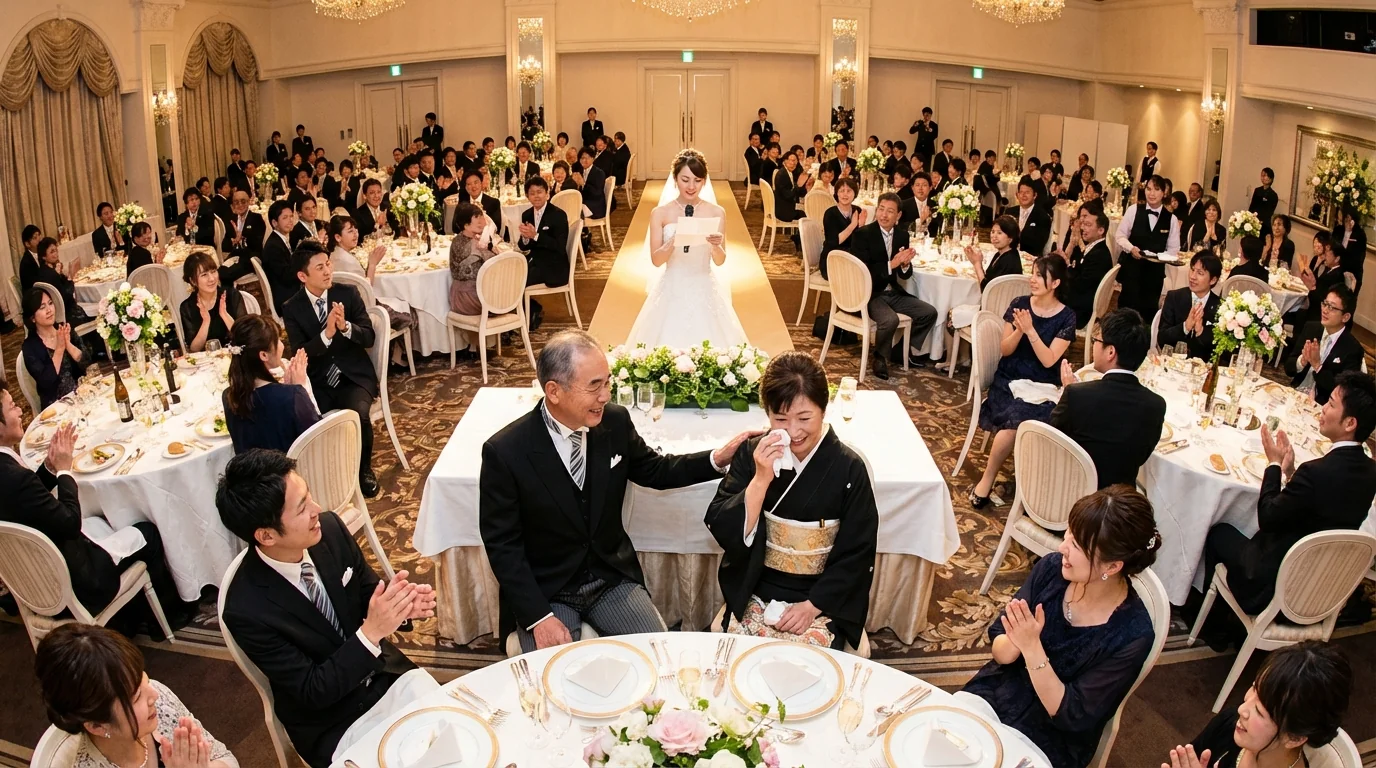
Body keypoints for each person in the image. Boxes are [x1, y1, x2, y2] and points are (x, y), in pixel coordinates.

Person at [480, 330, 757, 653]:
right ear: (554, 391)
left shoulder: (614, 422)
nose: (605, 396)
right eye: (594, 386)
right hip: (548, 592)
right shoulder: (506, 451)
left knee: (658, 654)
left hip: (609, 578)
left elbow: (655, 470)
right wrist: (538, 617)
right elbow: (503, 545)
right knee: (557, 671)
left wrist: (717, 458)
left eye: (608, 382)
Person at [217, 449, 438, 768]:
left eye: (309, 496)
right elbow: (312, 690)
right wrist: (370, 633)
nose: (317, 509)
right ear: (266, 535)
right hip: (334, 722)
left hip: (386, 677)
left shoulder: (330, 529)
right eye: (302, 508)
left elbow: (366, 590)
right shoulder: (246, 609)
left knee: (455, 736)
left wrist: (400, 606)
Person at [961, 486, 1160, 768]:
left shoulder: (1132, 634)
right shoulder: (1052, 569)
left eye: (1076, 545)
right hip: (998, 691)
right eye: (1068, 533)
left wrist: (1032, 647)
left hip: (1051, 738)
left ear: (1112, 567)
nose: (1062, 547)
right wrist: (1017, 641)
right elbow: (1001, 653)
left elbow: (1070, 715)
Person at [706, 352, 878, 650]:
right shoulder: (751, 454)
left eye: (804, 418)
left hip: (821, 594)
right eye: (780, 419)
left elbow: (858, 551)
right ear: (767, 414)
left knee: (807, 664)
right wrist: (761, 479)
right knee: (739, 659)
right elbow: (722, 526)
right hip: (757, 585)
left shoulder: (849, 467)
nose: (793, 431)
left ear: (823, 410)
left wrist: (812, 606)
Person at [0, 383, 190, 633]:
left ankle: (129, 617)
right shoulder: (15, 478)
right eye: (13, 407)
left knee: (102, 520)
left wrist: (49, 467)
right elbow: (71, 523)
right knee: (148, 532)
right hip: (75, 582)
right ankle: (165, 619)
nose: (20, 411)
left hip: (30, 579)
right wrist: (64, 470)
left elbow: (25, 498)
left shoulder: (8, 472)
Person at [1203, 371, 1376, 616]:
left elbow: (1267, 517)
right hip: (1320, 586)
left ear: (1350, 423)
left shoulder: (1316, 472)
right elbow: (1325, 503)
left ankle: (1217, 621)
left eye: (1331, 404)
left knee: (1219, 532)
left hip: (1275, 585)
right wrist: (1291, 473)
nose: (1323, 409)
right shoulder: (1371, 472)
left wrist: (1273, 464)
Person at [35, 624, 239, 768]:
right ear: (97, 726)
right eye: (137, 696)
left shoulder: (159, 704)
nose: (154, 695)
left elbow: (225, 757)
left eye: (144, 679)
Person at [968, 255, 1077, 508]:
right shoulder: (1019, 304)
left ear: (1056, 283)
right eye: (1033, 273)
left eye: (1040, 275)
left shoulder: (1067, 317)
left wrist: (1031, 330)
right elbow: (1005, 350)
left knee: (1053, 416)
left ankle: (1037, 487)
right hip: (1009, 380)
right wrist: (1019, 329)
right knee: (1015, 419)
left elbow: (1049, 361)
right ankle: (987, 479)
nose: (1032, 279)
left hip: (1043, 385)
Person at [280, 240, 380, 494]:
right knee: (303, 420)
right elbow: (300, 353)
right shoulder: (292, 308)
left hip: (353, 375)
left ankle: (363, 470)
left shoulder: (348, 293)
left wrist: (345, 327)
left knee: (358, 414)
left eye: (328, 264)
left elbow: (369, 337)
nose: (327, 272)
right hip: (318, 380)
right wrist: (326, 335)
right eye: (320, 268)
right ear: (302, 276)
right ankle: (323, 475)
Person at [624, 150, 748, 350]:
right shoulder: (660, 213)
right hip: (672, 286)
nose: (691, 186)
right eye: (685, 180)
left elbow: (720, 260)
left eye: (697, 181)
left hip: (704, 285)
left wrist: (715, 245)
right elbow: (656, 260)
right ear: (675, 179)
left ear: (704, 181)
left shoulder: (716, 212)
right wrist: (675, 239)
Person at [1161, 642, 1352, 768]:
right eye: (1253, 689)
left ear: (1294, 738)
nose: (1242, 709)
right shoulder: (1230, 724)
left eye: (1260, 712)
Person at [1053, 309, 1165, 488]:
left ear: (1111, 351)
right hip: (1121, 499)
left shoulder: (1078, 395)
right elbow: (1142, 457)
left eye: (1096, 341)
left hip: (1075, 490)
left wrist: (1067, 391)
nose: (1094, 346)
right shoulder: (1156, 405)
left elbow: (1051, 439)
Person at [848, 193, 939, 379]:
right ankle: (880, 357)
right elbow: (862, 272)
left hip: (892, 291)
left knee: (928, 312)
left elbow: (904, 275)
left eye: (890, 211)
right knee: (890, 320)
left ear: (898, 215)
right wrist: (892, 264)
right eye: (881, 209)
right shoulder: (863, 234)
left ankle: (899, 351)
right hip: (870, 293)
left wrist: (905, 265)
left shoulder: (902, 235)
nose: (884, 215)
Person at [222, 315, 319, 454]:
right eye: (278, 340)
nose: (282, 345)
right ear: (263, 355)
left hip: (251, 468)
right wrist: (302, 388)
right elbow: (317, 439)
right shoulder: (292, 396)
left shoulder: (229, 396)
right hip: (289, 467)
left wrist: (289, 389)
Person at [1284, 284, 1363, 404]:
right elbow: (1288, 368)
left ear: (1345, 317)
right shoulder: (1311, 328)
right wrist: (1301, 361)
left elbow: (1342, 391)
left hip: (1323, 406)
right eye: (1325, 304)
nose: (1325, 310)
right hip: (1296, 394)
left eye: (1331, 307)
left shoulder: (1352, 349)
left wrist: (1317, 365)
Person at [1115, 175, 1180, 321]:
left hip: (1154, 275)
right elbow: (1120, 236)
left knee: (1147, 315)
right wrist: (1131, 248)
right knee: (1125, 314)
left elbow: (1173, 250)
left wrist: (1159, 257)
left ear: (1164, 192)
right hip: (1132, 271)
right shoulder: (1133, 210)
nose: (1151, 193)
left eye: (1156, 189)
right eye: (1149, 189)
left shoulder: (1171, 219)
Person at [22, 288, 89, 408]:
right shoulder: (30, 347)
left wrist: (68, 345)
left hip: (83, 393)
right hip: (57, 407)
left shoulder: (64, 329)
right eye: (42, 307)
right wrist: (59, 349)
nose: (49, 310)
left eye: (50, 303)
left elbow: (87, 363)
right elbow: (46, 381)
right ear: (32, 318)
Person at [1157, 251, 1223, 361]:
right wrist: (1185, 327)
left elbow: (1221, 351)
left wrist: (1201, 331)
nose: (1192, 276)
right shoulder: (1174, 297)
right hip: (1173, 363)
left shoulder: (1221, 307)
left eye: (1200, 273)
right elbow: (1162, 338)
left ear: (1213, 280)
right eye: (1192, 269)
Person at [448, 202, 508, 319]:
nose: (482, 221)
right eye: (476, 217)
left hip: (470, 292)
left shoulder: (464, 239)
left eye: (481, 216)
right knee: (508, 295)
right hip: (468, 297)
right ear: (466, 225)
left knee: (507, 292)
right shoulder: (470, 244)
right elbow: (493, 265)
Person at [179, 251, 245, 353]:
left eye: (213, 271)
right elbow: (194, 349)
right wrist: (206, 321)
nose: (212, 278)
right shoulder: (187, 307)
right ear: (193, 281)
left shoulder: (231, 295)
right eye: (204, 275)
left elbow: (244, 337)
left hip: (234, 355)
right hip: (206, 361)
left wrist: (224, 315)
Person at [1062, 210, 1114, 329]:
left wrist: (1067, 266)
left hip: (1080, 310)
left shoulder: (1099, 255)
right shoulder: (1094, 249)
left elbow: (1081, 284)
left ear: (1101, 230)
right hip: (1081, 300)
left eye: (1088, 225)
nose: (1083, 228)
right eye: (1083, 224)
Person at [1292, 231, 1350, 327]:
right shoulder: (1328, 269)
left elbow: (1322, 298)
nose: (1325, 255)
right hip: (1312, 306)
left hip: (1318, 314)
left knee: (1297, 312)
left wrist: (1311, 287)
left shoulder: (1337, 276)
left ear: (1337, 259)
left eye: (1328, 253)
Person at [32, 237, 92, 327]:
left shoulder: (43, 270)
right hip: (67, 315)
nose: (56, 254)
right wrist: (70, 277)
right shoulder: (50, 274)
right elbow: (65, 296)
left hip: (58, 312)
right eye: (52, 252)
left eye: (56, 250)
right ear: (44, 256)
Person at [820, 178, 865, 279]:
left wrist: (861, 226)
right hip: (833, 258)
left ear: (855, 193)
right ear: (837, 193)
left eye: (849, 191)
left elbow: (859, 241)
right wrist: (853, 225)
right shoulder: (830, 213)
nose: (845, 194)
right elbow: (834, 242)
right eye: (842, 191)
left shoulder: (857, 210)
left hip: (852, 256)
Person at [261, 201, 301, 314]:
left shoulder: (279, 239)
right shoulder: (273, 247)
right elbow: (287, 277)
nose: (290, 220)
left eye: (291, 216)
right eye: (285, 218)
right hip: (286, 298)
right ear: (274, 223)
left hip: (286, 290)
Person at [967, 215, 1025, 290]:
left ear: (1011, 238)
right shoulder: (1000, 254)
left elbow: (987, 289)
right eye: (993, 232)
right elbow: (988, 279)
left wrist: (977, 263)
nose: (994, 236)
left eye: (999, 233)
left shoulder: (1009, 259)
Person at [1013, 180, 1053, 256]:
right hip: (1009, 255)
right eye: (1021, 192)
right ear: (1017, 195)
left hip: (1030, 257)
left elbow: (1038, 245)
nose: (1023, 195)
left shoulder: (1043, 217)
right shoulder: (1010, 212)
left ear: (1035, 195)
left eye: (1027, 192)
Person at [772, 152, 809, 230]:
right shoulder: (782, 175)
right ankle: (801, 236)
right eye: (791, 160)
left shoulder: (787, 172)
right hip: (783, 212)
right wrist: (798, 185)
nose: (793, 163)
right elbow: (788, 195)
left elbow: (795, 192)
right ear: (784, 161)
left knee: (804, 211)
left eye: (795, 161)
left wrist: (805, 187)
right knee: (807, 214)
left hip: (783, 206)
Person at [1333, 210, 1366, 292]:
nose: (1348, 221)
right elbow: (1333, 248)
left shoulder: (1360, 234)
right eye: (1346, 218)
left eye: (1350, 218)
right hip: (1335, 270)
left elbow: (1359, 258)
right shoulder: (1338, 230)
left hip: (1351, 272)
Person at [574, 146, 609, 220]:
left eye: (588, 158)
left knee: (574, 211)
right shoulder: (579, 171)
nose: (585, 160)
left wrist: (583, 184)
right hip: (583, 202)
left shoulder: (599, 173)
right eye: (582, 158)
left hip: (595, 205)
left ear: (593, 159)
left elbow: (597, 193)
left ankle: (581, 226)